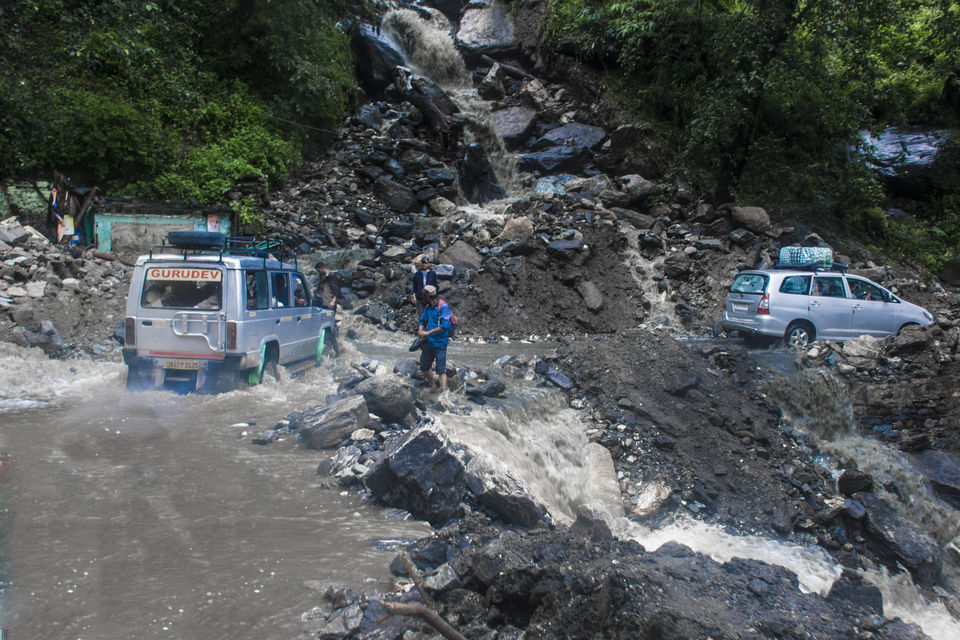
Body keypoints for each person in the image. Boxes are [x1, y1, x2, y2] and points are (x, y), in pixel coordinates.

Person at [417, 284, 452, 393]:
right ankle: (433, 386)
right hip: (428, 342)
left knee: (441, 370)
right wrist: (421, 329)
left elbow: (444, 326)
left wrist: (428, 332)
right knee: (424, 367)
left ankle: (444, 392)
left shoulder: (444, 307)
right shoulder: (427, 308)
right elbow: (422, 320)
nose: (423, 299)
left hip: (440, 343)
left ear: (428, 297)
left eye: (424, 297)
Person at [315, 262, 341, 356]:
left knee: (330, 325)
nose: (318, 272)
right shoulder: (321, 277)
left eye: (318, 270)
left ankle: (334, 345)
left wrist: (333, 301)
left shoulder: (333, 277)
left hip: (329, 304)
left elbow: (337, 291)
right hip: (321, 303)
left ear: (322, 268)